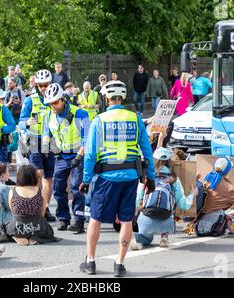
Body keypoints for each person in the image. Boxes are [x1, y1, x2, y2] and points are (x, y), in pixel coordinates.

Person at [79, 80, 156, 277]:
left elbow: (90, 155)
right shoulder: (135, 118)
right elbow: (147, 150)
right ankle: (120, 263)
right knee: (126, 219)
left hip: (106, 178)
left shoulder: (100, 120)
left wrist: (86, 180)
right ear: (122, 98)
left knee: (95, 218)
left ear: (106, 98)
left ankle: (91, 260)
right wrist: (151, 176)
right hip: (131, 177)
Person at [131, 136, 197, 250]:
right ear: (169, 161)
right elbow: (184, 205)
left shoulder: (146, 177)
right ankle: (164, 236)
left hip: (146, 219)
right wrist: (193, 194)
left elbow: (137, 201)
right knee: (169, 212)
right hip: (167, 221)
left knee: (146, 238)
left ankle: (139, 239)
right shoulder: (174, 179)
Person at [44, 83, 90, 233]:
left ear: (63, 99)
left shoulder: (80, 113)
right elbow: (47, 134)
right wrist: (46, 148)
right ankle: (63, 218)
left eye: (56, 102)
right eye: (50, 103)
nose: (53, 106)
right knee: (58, 188)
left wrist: (79, 156)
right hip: (61, 156)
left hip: (78, 155)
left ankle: (78, 220)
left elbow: (87, 138)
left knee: (77, 188)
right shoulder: (49, 115)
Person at [19, 69, 56, 222]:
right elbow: (20, 122)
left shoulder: (56, 99)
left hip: (52, 142)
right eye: (40, 85)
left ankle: (45, 207)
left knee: (49, 178)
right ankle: (38, 206)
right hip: (34, 141)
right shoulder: (30, 100)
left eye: (45, 85)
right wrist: (26, 123)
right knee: (38, 173)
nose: (43, 88)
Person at [7, 165, 60, 245]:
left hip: (18, 226)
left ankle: (19, 236)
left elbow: (13, 211)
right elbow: (42, 213)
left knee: (7, 227)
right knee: (47, 230)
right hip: (36, 226)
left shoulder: (13, 191)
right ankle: (34, 237)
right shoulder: (40, 192)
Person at [196, 157, 234, 226]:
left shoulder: (205, 179)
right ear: (228, 171)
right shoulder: (229, 189)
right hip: (213, 224)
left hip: (198, 221)